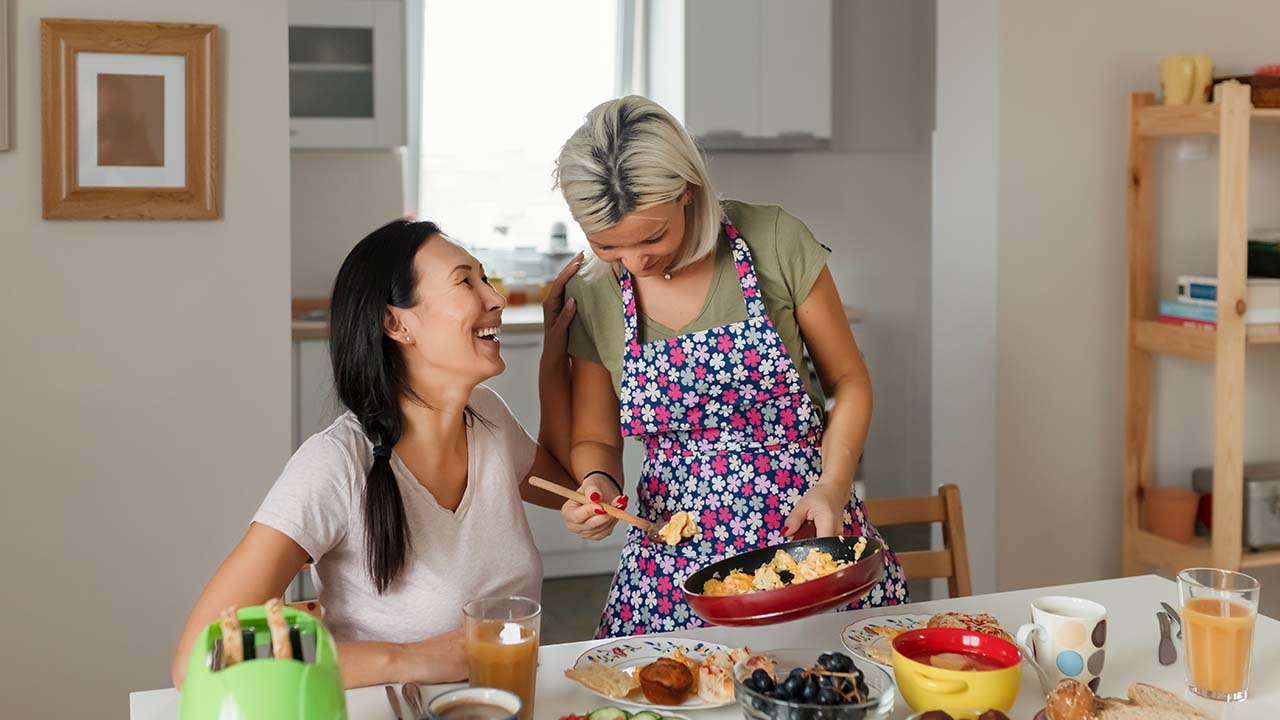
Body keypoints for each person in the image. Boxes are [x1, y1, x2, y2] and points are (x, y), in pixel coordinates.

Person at [171, 220, 589, 687]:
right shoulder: (335, 465)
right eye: (465, 281)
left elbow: (570, 488)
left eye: (485, 278)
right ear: (397, 323)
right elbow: (199, 656)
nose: (495, 298)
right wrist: (405, 659)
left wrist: (557, 351)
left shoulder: (487, 419)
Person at [552, 96, 909, 637]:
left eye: (652, 238)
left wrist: (835, 485)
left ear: (688, 193)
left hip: (807, 537)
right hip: (674, 565)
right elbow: (596, 439)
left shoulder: (773, 240)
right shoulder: (594, 293)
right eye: (606, 245)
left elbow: (850, 381)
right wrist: (596, 486)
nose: (635, 263)